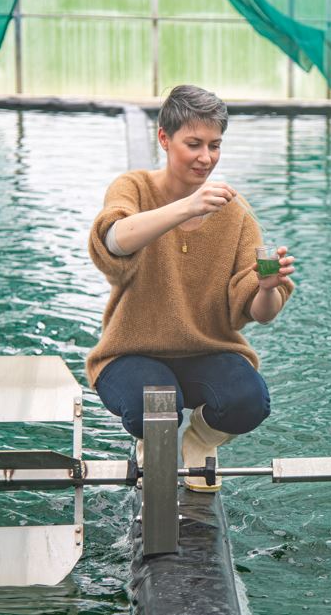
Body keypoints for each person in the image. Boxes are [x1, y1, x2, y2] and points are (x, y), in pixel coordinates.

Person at [86, 85, 295, 492]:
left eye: (215, 146)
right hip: (131, 351)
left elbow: (260, 311)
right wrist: (187, 205)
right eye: (194, 144)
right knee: (158, 406)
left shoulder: (234, 212)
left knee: (251, 401)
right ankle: (156, 441)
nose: (206, 158)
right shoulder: (134, 188)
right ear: (164, 139)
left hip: (207, 350)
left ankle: (199, 439)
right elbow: (113, 239)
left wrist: (268, 287)